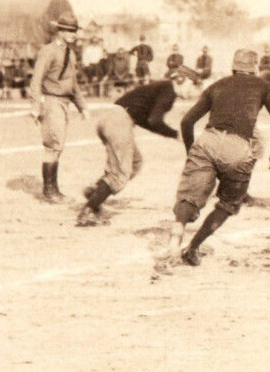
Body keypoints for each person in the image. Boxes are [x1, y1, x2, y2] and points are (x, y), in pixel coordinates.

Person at [160, 48, 270, 269]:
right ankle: (192, 248)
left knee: (188, 198)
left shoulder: (217, 85)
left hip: (207, 140)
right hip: (238, 146)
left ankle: (176, 236)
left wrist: (192, 152)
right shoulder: (264, 86)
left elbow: (187, 122)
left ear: (233, 66)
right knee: (228, 204)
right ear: (255, 66)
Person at [76, 72, 188, 225]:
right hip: (119, 122)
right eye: (192, 84)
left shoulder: (162, 87)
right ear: (182, 80)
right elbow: (154, 120)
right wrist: (174, 134)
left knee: (135, 162)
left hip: (109, 117)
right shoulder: (169, 92)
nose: (193, 89)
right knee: (120, 173)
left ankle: (95, 192)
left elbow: (145, 120)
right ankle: (88, 211)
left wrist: (172, 135)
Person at [28, 13, 88, 202]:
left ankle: (53, 189)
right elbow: (36, 79)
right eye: (69, 31)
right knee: (53, 145)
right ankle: (49, 192)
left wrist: (82, 106)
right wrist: (35, 105)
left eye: (74, 31)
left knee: (58, 146)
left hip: (64, 102)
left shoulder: (70, 53)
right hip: (52, 100)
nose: (73, 34)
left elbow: (73, 82)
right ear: (59, 31)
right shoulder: (49, 51)